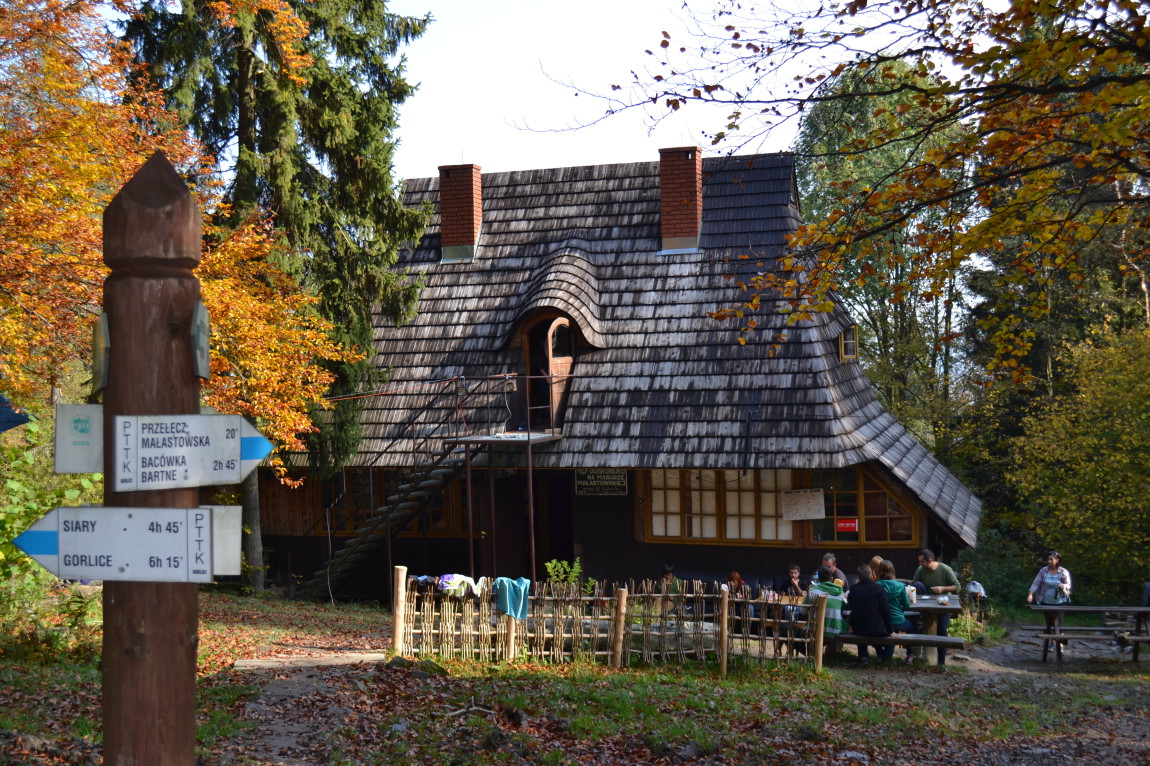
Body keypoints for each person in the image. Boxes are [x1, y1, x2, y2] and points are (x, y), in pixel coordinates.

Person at [911, 548, 960, 665]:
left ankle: (941, 663)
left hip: (943, 603)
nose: (920, 564)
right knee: (917, 584)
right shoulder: (920, 570)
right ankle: (923, 613)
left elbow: (957, 586)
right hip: (926, 601)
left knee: (942, 631)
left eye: (922, 561)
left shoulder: (945, 569)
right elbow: (913, 586)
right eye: (919, 561)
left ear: (930, 561)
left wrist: (943, 589)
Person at [848, 564, 893, 662]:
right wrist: (890, 630)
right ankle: (884, 656)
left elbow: (850, 605)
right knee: (874, 626)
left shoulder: (854, 589)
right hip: (876, 628)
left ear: (858, 576)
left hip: (858, 629)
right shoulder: (878, 589)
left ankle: (864, 656)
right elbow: (885, 611)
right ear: (870, 575)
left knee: (862, 620)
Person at [876, 559, 915, 661]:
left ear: (879, 571)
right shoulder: (900, 586)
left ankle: (885, 657)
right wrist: (900, 608)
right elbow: (906, 605)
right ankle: (910, 654)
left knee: (891, 630)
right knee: (912, 627)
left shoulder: (876, 586)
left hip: (882, 621)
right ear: (893, 571)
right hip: (898, 619)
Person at [805, 566, 847, 642]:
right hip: (836, 631)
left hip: (815, 629)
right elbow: (846, 611)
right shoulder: (840, 593)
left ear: (818, 579)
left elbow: (803, 611)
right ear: (832, 579)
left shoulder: (812, 591)